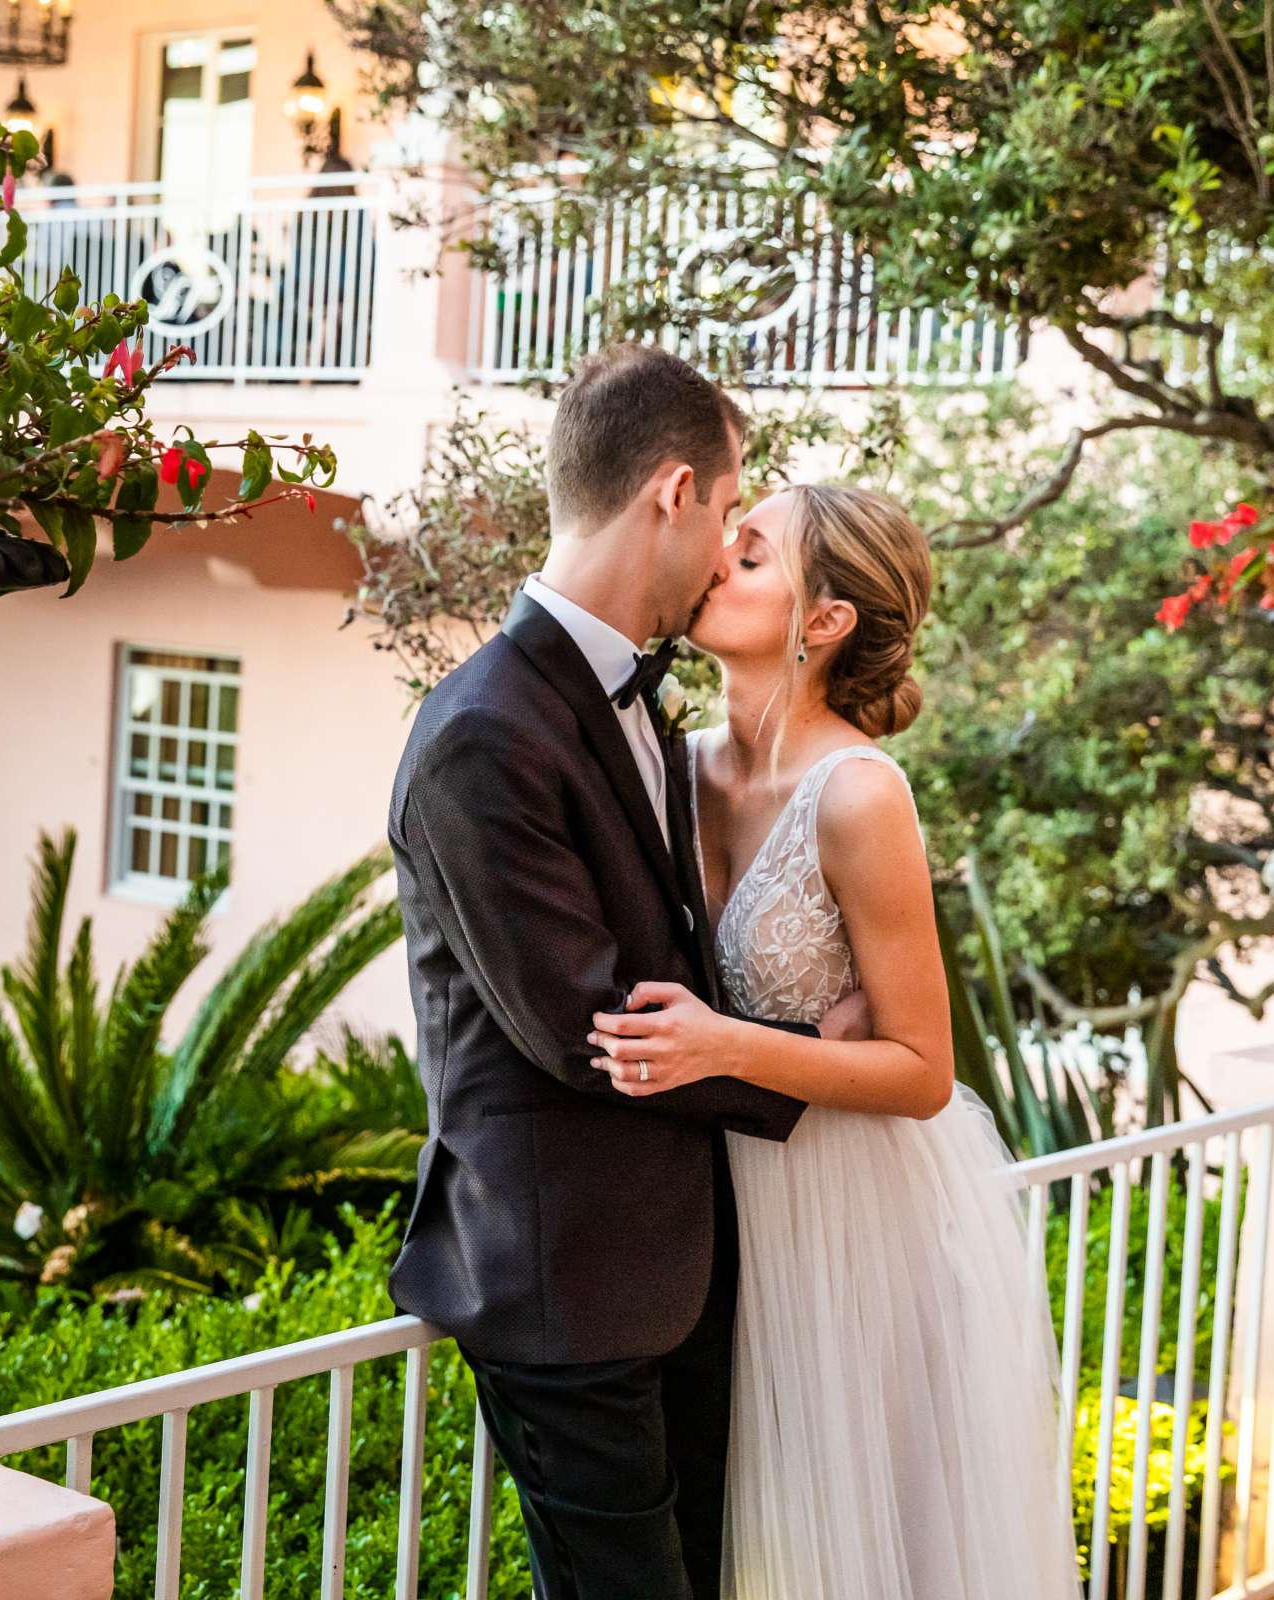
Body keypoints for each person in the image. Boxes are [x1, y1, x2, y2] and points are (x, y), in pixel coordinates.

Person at [386, 344, 862, 1600]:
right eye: (727, 510)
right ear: (672, 492)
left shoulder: (641, 701)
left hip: (681, 1264)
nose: (725, 551)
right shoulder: (483, 730)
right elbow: (592, 1023)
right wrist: (815, 1066)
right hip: (565, 1287)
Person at [587, 482, 1081, 1599]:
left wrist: (732, 1044)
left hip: (855, 1221)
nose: (718, 557)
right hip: (712, 1212)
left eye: (752, 555)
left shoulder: (858, 796)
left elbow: (920, 1069)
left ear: (825, 621)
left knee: (853, 1547)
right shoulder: (666, 764)